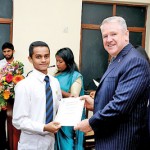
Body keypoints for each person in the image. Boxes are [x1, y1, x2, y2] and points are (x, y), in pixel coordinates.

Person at [74, 16, 150, 150]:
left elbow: (119, 106)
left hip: (122, 142)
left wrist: (91, 123)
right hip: (109, 139)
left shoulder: (134, 61)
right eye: (105, 36)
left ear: (126, 35)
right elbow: (117, 95)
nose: (109, 40)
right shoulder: (117, 59)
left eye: (113, 34)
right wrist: (95, 103)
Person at [12, 41, 62, 150]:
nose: (43, 60)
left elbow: (59, 107)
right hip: (31, 143)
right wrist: (44, 127)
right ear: (30, 59)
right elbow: (18, 121)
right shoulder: (24, 85)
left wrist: (74, 104)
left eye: (46, 56)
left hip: (50, 140)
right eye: (38, 57)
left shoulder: (54, 82)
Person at [54, 47, 85, 150]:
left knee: (67, 142)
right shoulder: (56, 75)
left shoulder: (76, 76)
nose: (57, 64)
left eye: (60, 61)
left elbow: (73, 97)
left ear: (68, 62)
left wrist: (56, 88)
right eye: (56, 61)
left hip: (69, 115)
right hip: (56, 114)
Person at [0, 42, 16, 150]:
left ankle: (12, 145)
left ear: (13, 51)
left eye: (8, 51)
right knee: (1, 122)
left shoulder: (18, 64)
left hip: (14, 98)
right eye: (4, 51)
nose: (6, 53)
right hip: (1, 97)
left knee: (13, 123)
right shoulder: (0, 63)